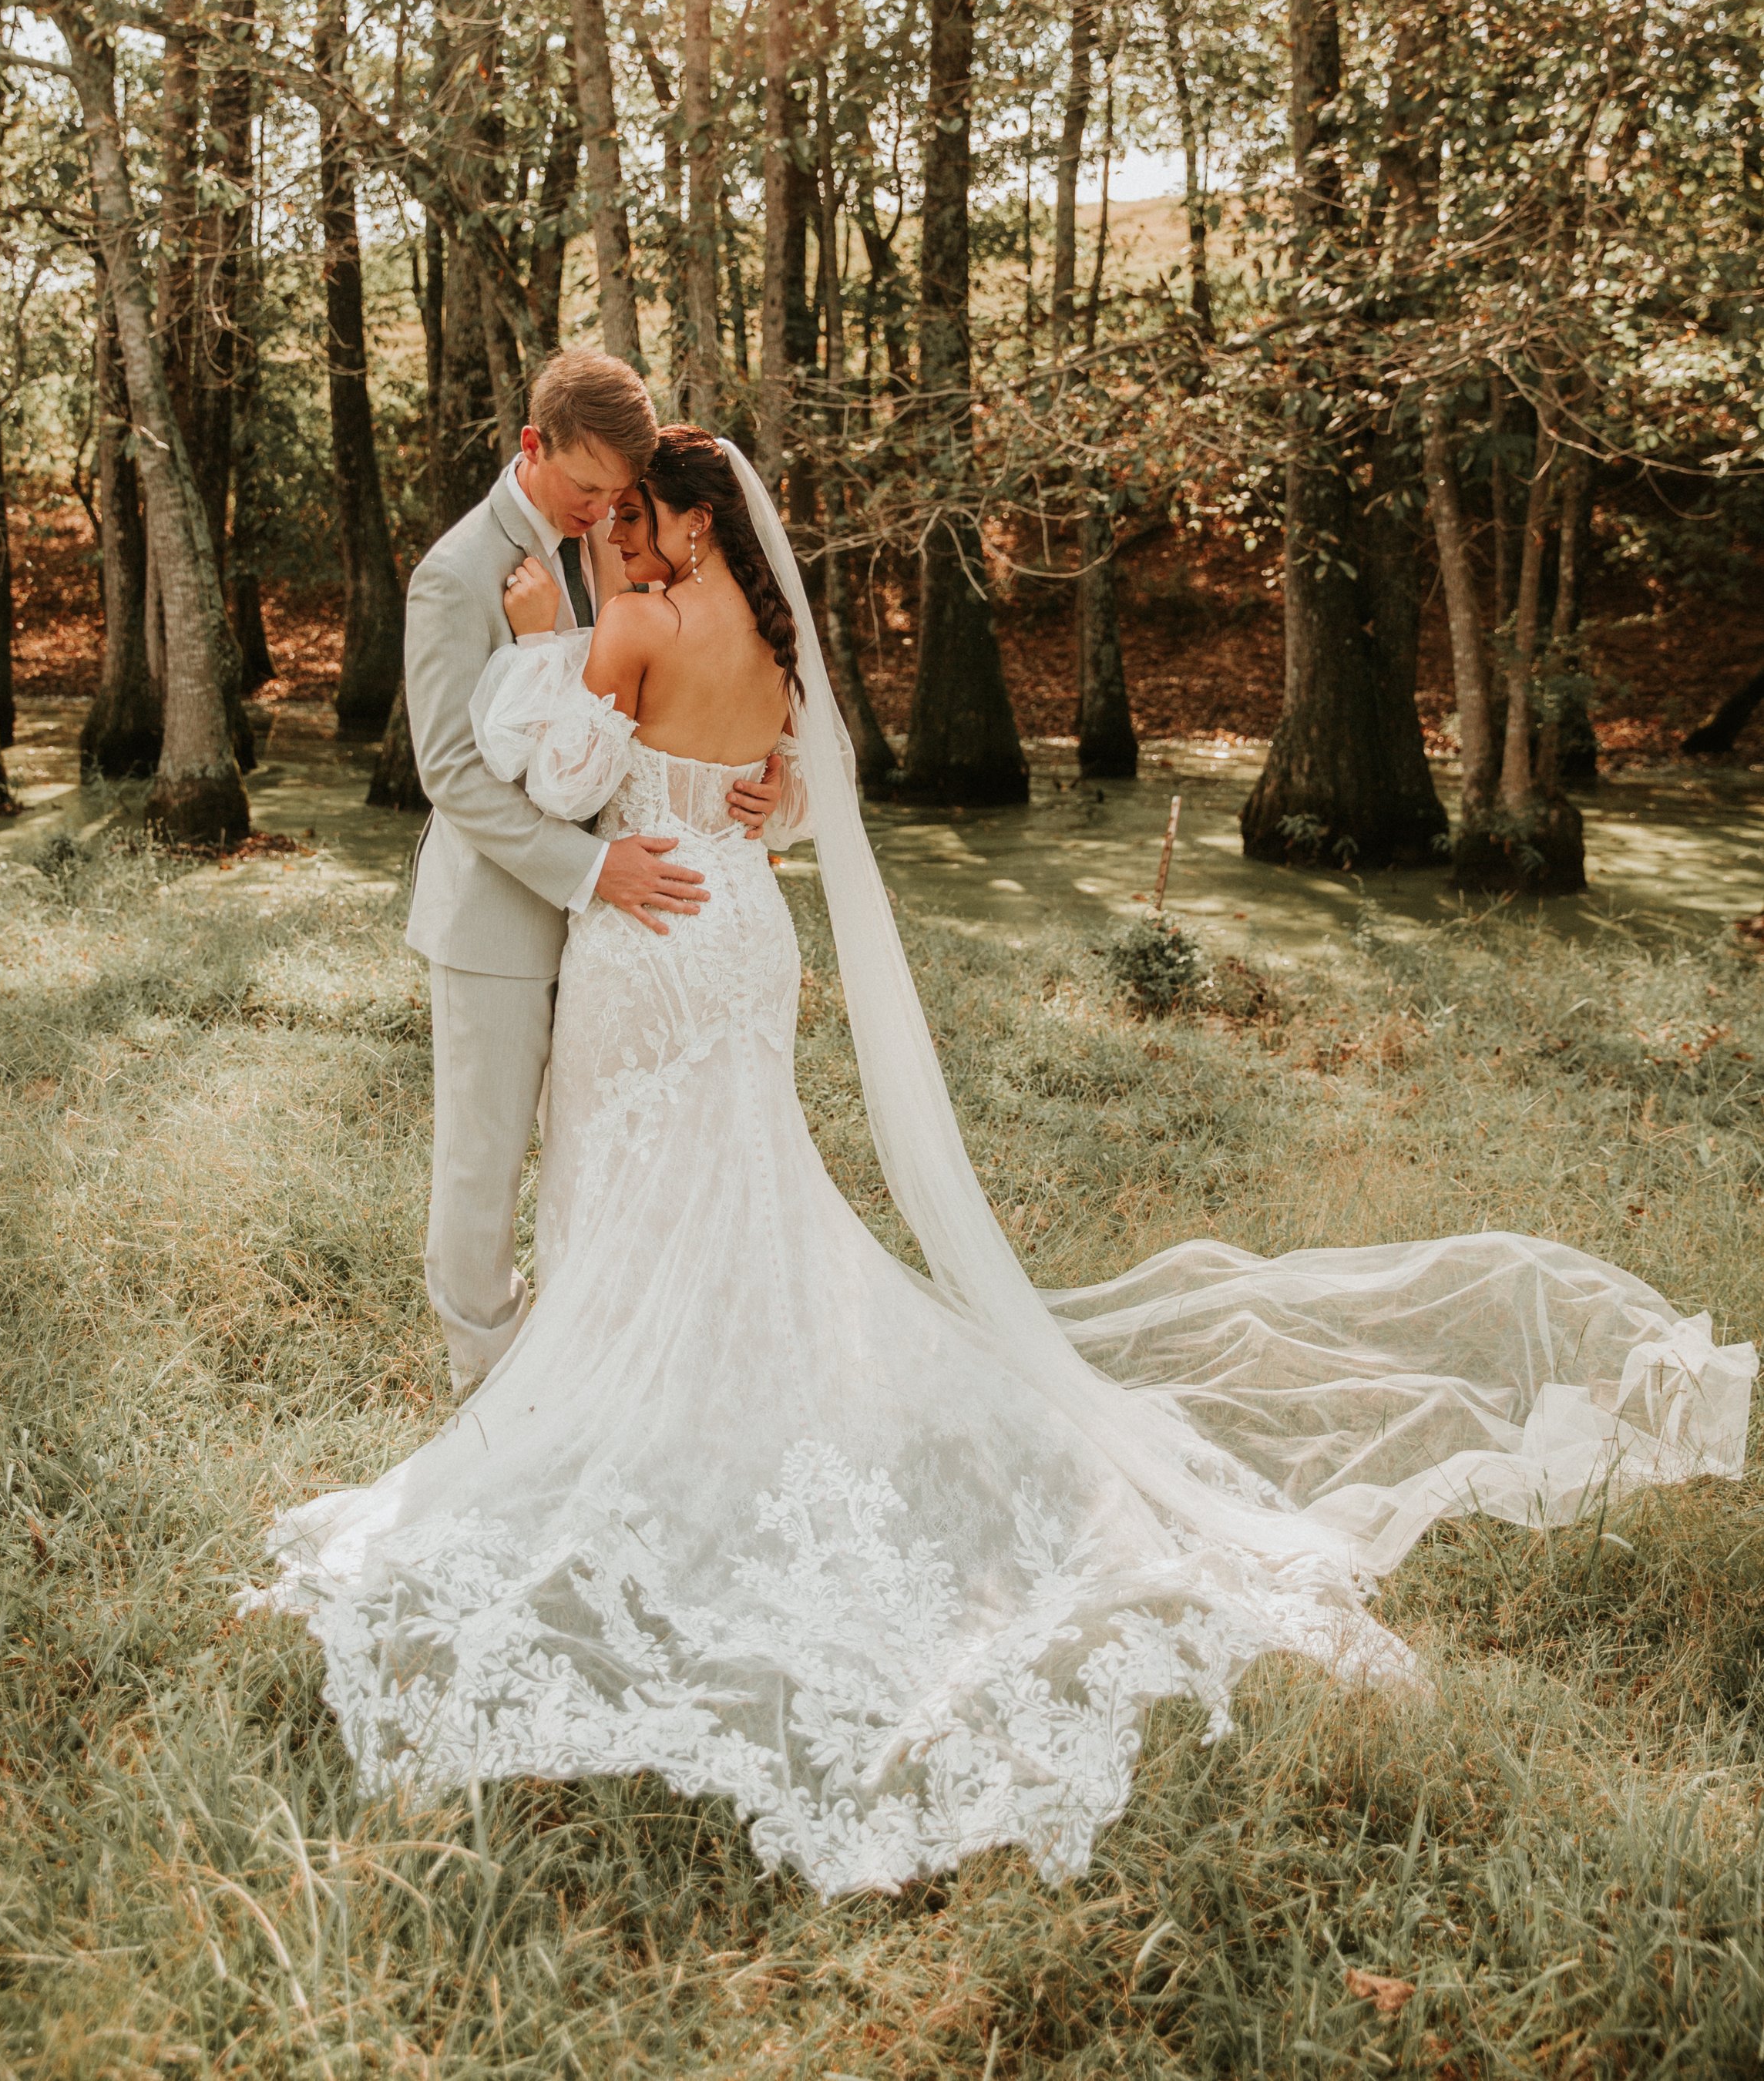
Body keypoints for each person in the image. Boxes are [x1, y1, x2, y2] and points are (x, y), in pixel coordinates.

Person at [260, 427, 1755, 1898]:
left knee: (626, 1191)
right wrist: (712, 789)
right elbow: (783, 794)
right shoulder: (774, 645)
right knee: (744, 1187)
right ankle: (710, 1410)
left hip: (646, 943)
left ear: (695, 527)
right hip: (741, 941)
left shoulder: (631, 625)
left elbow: (557, 775)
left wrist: (540, 638)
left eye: (640, 516)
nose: (622, 538)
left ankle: (611, 1432)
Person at [398, 354, 777, 1393]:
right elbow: (453, 774)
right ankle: (485, 1394)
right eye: (586, 489)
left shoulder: (617, 546)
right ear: (533, 446)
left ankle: (585, 1383)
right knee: (482, 1172)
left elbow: (656, 704)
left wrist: (752, 776)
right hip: (503, 922)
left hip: (623, 934)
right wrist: (590, 867)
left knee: (600, 1158)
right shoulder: (457, 572)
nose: (607, 512)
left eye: (622, 496)